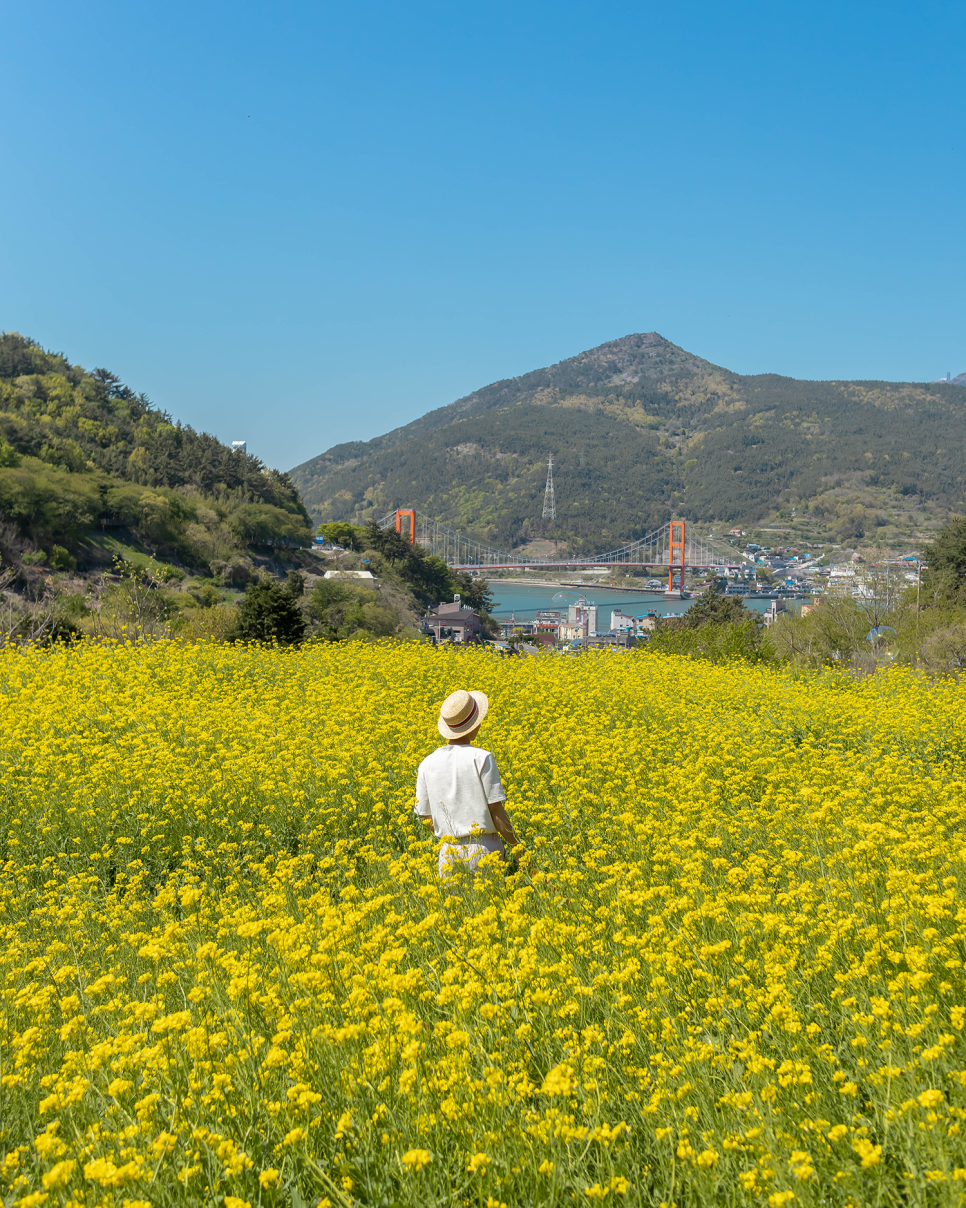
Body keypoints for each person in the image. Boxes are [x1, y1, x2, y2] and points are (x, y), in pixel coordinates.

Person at [415, 689, 522, 878]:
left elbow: (426, 817)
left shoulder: (426, 764)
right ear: (475, 724)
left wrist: (451, 834)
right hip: (484, 850)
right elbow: (496, 811)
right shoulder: (482, 758)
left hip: (448, 853)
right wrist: (518, 849)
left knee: (458, 908)